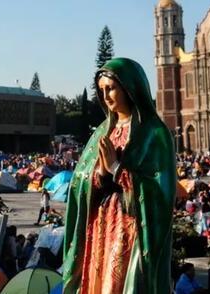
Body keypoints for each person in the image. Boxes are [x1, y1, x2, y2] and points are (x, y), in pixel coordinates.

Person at [63, 58, 176, 293]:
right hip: (100, 223)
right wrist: (101, 173)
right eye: (101, 90)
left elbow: (160, 190)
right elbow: (79, 179)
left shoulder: (154, 133)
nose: (105, 96)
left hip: (131, 227)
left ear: (129, 87)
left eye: (111, 88)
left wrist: (116, 169)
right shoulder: (103, 132)